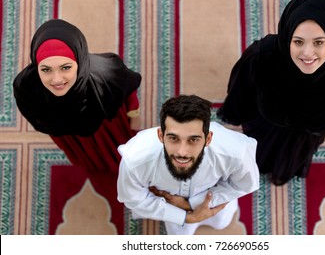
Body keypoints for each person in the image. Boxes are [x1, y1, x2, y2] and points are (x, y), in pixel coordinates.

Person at [217, 0, 325, 185]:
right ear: (287, 37)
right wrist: (237, 113)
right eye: (298, 41)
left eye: (319, 42)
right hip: (267, 127)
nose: (307, 54)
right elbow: (242, 89)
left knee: (289, 158)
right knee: (258, 152)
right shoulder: (263, 57)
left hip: (303, 140)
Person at [117, 94, 259, 235]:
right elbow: (133, 197)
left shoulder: (236, 153)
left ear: (208, 139)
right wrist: (184, 217)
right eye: (173, 138)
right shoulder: (135, 160)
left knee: (222, 223)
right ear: (161, 136)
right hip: (170, 208)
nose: (182, 152)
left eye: (193, 140)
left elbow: (244, 183)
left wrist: (191, 204)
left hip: (216, 199)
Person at [13, 19, 142, 172]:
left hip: (106, 129)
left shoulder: (107, 73)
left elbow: (128, 90)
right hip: (73, 138)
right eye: (46, 70)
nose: (57, 80)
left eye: (66, 67)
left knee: (127, 162)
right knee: (93, 166)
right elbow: (38, 119)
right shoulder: (26, 87)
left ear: (79, 61)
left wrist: (134, 116)